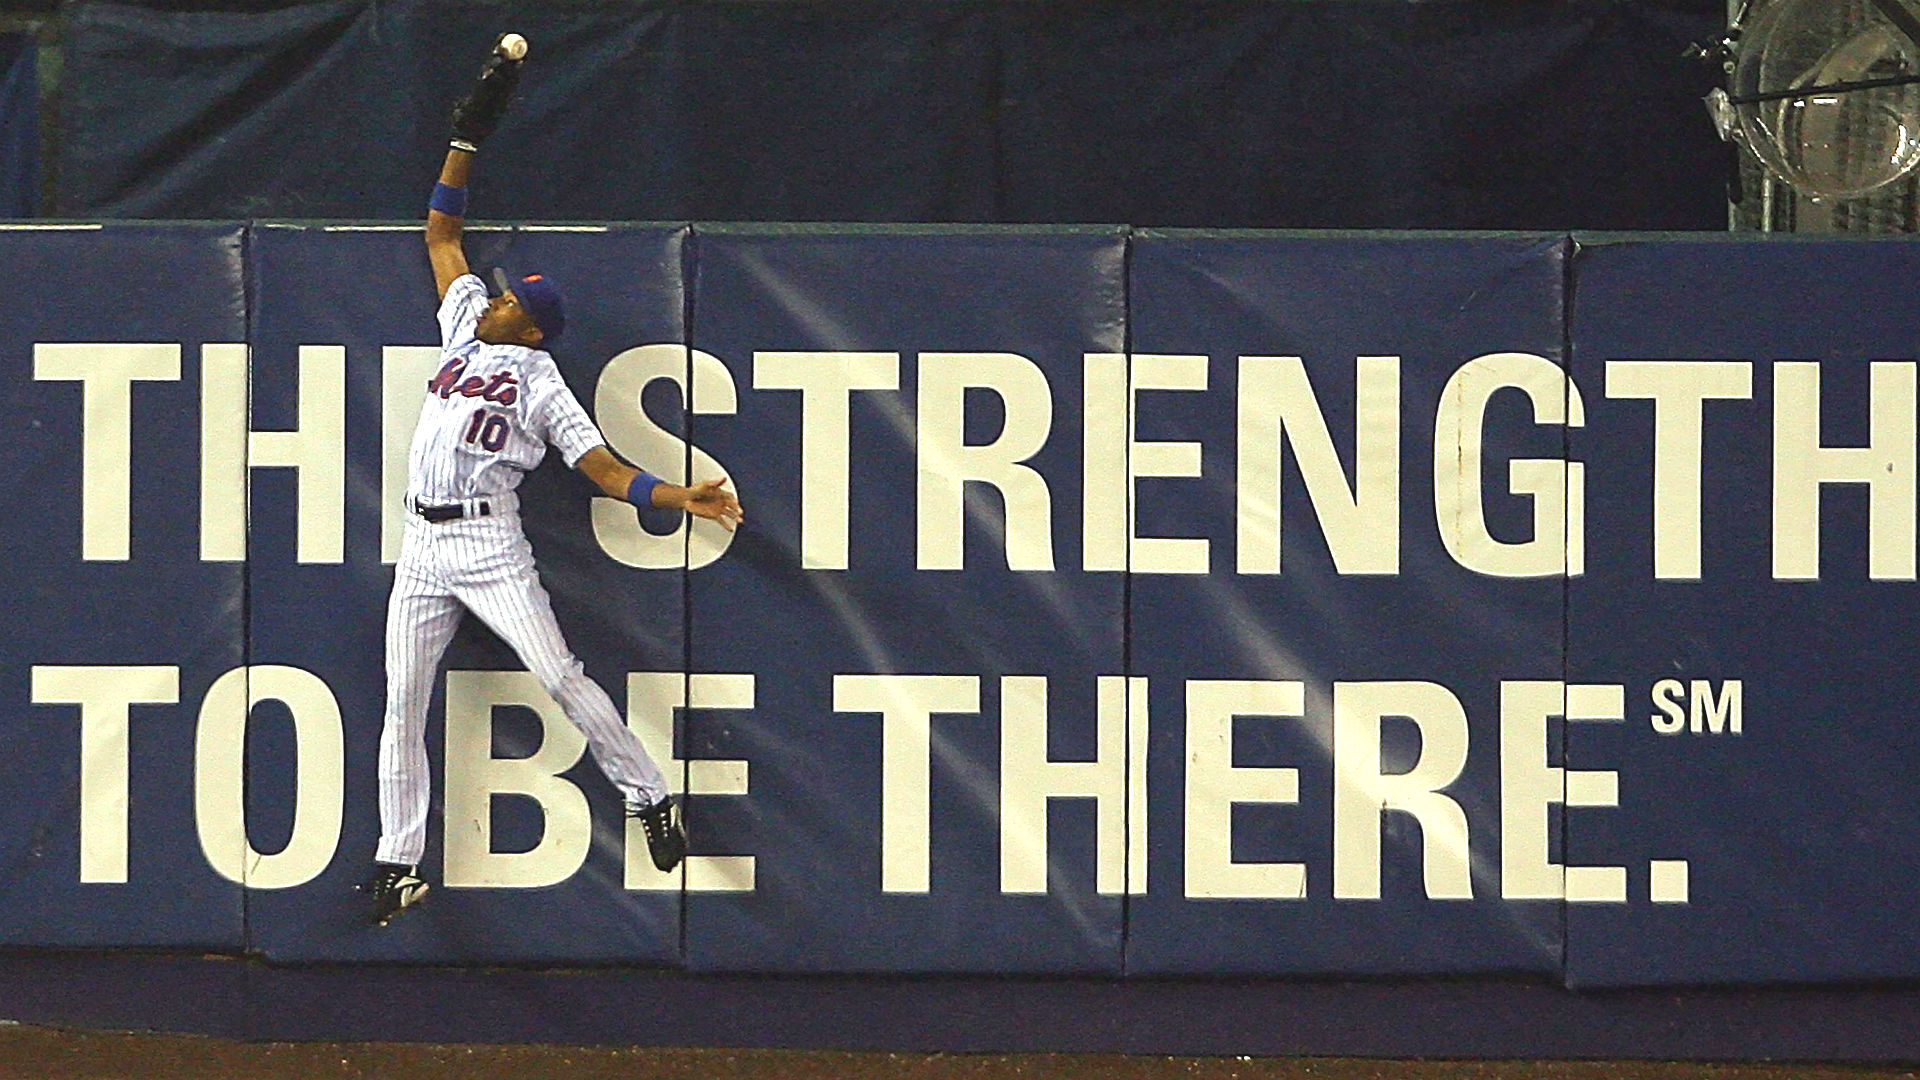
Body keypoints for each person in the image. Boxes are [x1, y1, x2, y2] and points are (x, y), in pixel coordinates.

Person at [363, 37, 744, 926]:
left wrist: (677, 496)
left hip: (491, 544)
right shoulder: (463, 327)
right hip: (422, 543)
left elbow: (600, 467)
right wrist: (468, 136)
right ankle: (397, 860)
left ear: (531, 328)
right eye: (499, 295)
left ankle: (649, 794)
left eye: (510, 301)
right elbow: (443, 231)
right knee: (402, 705)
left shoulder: (539, 381)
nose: (492, 298)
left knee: (562, 676)